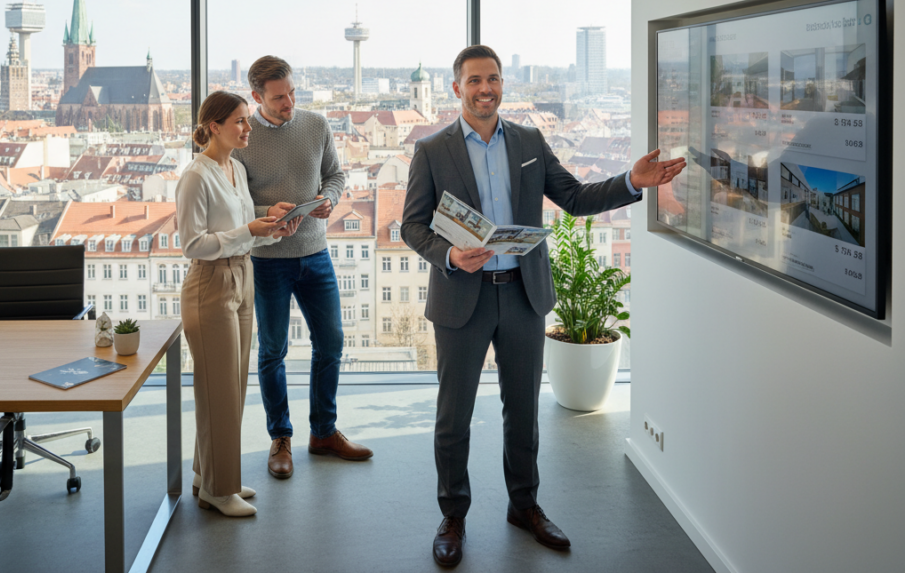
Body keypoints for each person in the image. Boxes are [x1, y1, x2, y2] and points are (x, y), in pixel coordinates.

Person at [402, 45, 686, 567]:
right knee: (453, 416)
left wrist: (631, 182)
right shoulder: (432, 150)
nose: (485, 89)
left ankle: (524, 505)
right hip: (461, 296)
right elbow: (412, 226)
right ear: (456, 88)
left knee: (524, 412)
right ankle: (453, 515)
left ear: (503, 84)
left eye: (493, 79)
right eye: (474, 81)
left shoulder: (530, 140)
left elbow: (575, 198)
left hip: (524, 293)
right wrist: (448, 255)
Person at [233, 55, 373, 479]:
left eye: (292, 92)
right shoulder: (243, 136)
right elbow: (234, 203)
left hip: (315, 253)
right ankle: (281, 437)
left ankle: (324, 432)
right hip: (268, 258)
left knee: (330, 343)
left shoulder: (316, 125)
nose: (289, 102)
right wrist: (265, 210)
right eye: (279, 98)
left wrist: (328, 198)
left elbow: (336, 174)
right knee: (273, 351)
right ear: (257, 97)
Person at [176, 91, 299, 517]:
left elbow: (242, 230)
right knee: (219, 390)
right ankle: (218, 488)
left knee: (232, 385)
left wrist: (271, 230)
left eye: (247, 120)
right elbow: (192, 244)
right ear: (215, 127)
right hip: (210, 284)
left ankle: (204, 473)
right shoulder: (196, 176)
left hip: (242, 276)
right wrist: (249, 228)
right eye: (241, 122)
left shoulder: (235, 170)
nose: (249, 128)